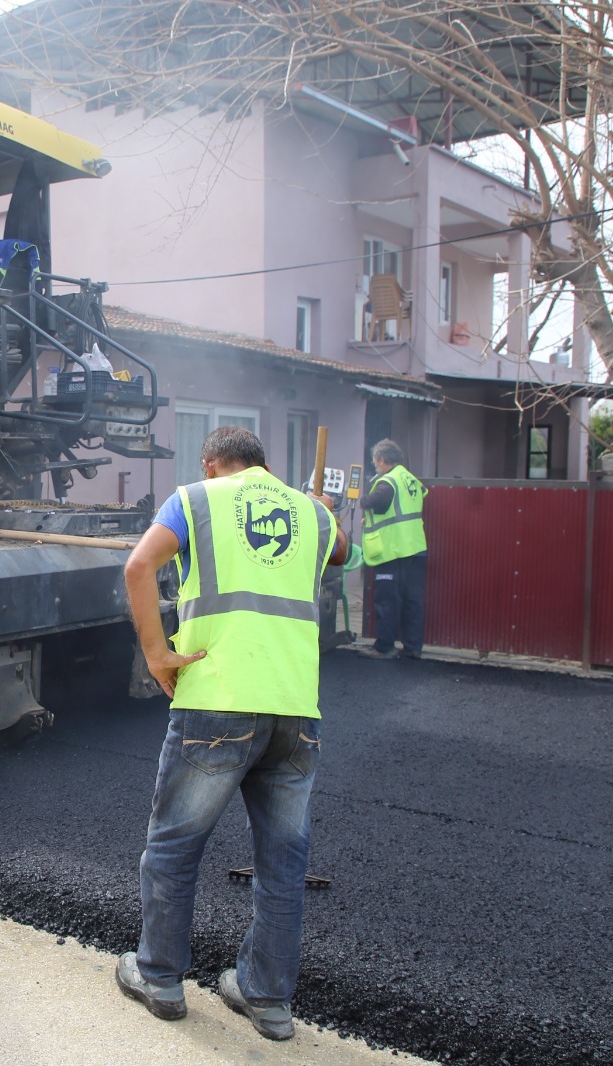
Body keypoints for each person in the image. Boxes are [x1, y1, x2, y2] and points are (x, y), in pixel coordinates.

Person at [117, 426, 348, 1042]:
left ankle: (160, 977)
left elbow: (139, 566)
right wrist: (320, 512)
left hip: (217, 705)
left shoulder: (196, 498)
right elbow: (344, 551)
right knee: (283, 863)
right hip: (296, 712)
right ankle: (267, 999)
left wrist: (158, 655)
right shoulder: (310, 515)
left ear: (212, 464)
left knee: (173, 846)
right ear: (263, 464)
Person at [358, 438, 427, 660]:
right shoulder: (410, 479)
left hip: (393, 550)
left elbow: (376, 500)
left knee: (387, 599)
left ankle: (384, 647)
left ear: (382, 459)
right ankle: (412, 647)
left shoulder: (388, 481)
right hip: (416, 548)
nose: (374, 465)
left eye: (375, 461)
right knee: (412, 600)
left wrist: (362, 501)